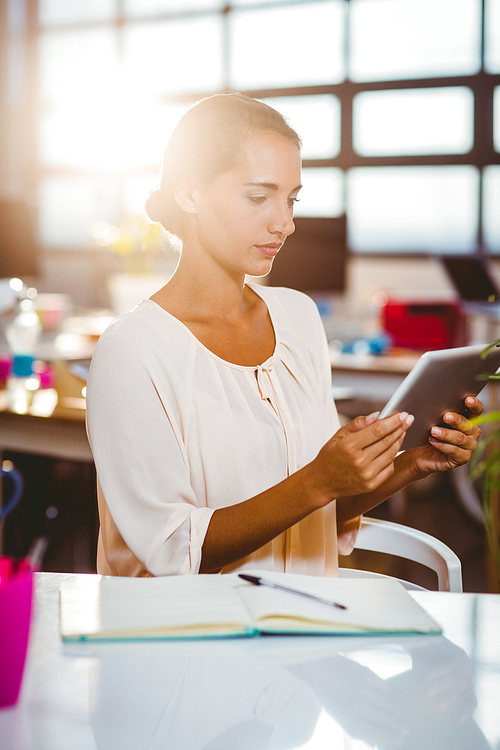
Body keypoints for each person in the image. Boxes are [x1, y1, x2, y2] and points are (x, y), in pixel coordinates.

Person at [86, 92, 482, 578]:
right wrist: (318, 480)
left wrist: (412, 463)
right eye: (258, 197)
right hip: (191, 640)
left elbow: (317, 511)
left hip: (303, 619)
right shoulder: (133, 350)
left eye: (291, 199)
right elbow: (173, 550)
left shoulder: (296, 317)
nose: (286, 224)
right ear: (190, 192)